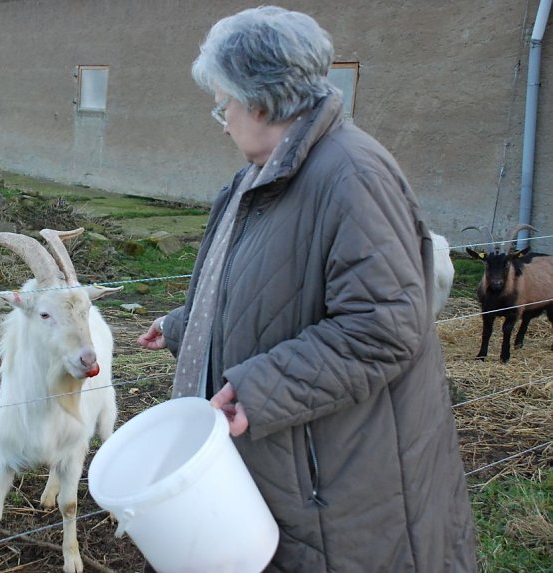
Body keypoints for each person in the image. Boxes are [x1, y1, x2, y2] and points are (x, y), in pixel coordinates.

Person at [137, 6, 477, 572]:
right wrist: (184, 325)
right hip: (291, 465)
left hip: (341, 484)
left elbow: (382, 325)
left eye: (224, 105)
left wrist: (261, 387)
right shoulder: (268, 175)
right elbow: (270, 289)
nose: (221, 120)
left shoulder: (351, 177)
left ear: (262, 103)